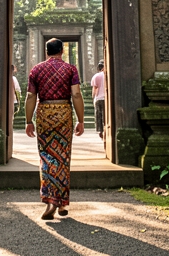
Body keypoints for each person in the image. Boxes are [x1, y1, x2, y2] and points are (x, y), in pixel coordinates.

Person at [24, 38, 85, 220]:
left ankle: (51, 200)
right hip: (64, 114)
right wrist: (81, 120)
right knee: (63, 157)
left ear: (46, 51)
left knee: (47, 157)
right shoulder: (70, 69)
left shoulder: (36, 70)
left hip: (44, 114)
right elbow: (76, 94)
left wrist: (28, 120)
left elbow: (30, 96)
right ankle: (62, 202)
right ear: (62, 51)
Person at [90, 62, 106, 139]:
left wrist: (93, 97)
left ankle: (100, 130)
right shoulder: (107, 75)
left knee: (98, 115)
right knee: (105, 115)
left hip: (98, 98)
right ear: (103, 68)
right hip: (106, 98)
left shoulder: (95, 76)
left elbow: (95, 88)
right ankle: (106, 128)